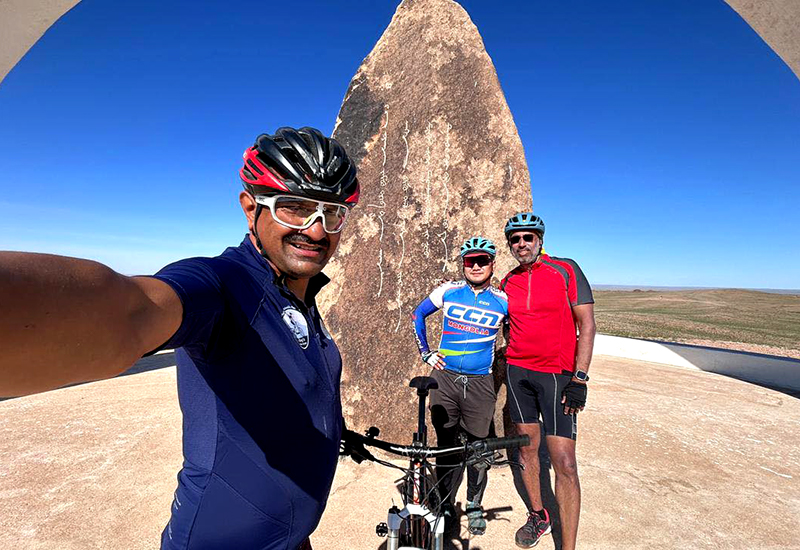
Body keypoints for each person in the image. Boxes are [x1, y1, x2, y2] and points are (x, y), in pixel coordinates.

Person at [0, 127, 360, 550]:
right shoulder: (225, 286)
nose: (317, 231)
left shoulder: (301, 296)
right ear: (250, 208)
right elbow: (129, 311)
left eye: (332, 212)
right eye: (294, 208)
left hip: (293, 539)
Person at [499, 212, 596, 550]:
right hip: (518, 372)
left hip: (558, 376)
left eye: (528, 237)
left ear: (540, 240)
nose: (521, 244)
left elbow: (587, 324)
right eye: (515, 239)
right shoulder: (507, 281)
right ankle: (539, 514)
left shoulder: (565, 269)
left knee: (565, 462)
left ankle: (567, 547)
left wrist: (580, 377)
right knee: (527, 450)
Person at [411, 237, 508, 535]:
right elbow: (418, 315)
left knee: (479, 450)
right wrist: (426, 352)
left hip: (480, 383)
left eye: (482, 260)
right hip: (445, 380)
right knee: (446, 447)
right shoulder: (448, 291)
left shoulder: (504, 300)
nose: (476, 265)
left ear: (492, 263)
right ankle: (444, 504)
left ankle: (475, 505)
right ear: (463, 264)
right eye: (470, 261)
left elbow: (523, 331)